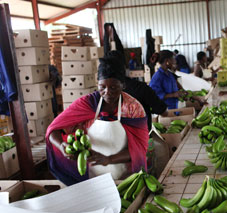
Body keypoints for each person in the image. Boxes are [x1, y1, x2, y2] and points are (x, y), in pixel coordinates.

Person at [46, 52, 149, 185]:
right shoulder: (87, 104)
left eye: (113, 87)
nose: (107, 92)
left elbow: (140, 148)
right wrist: (62, 146)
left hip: (125, 176)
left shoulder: (133, 108)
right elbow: (53, 129)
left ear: (123, 85)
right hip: (92, 175)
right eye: (102, 87)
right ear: (97, 84)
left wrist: (109, 159)